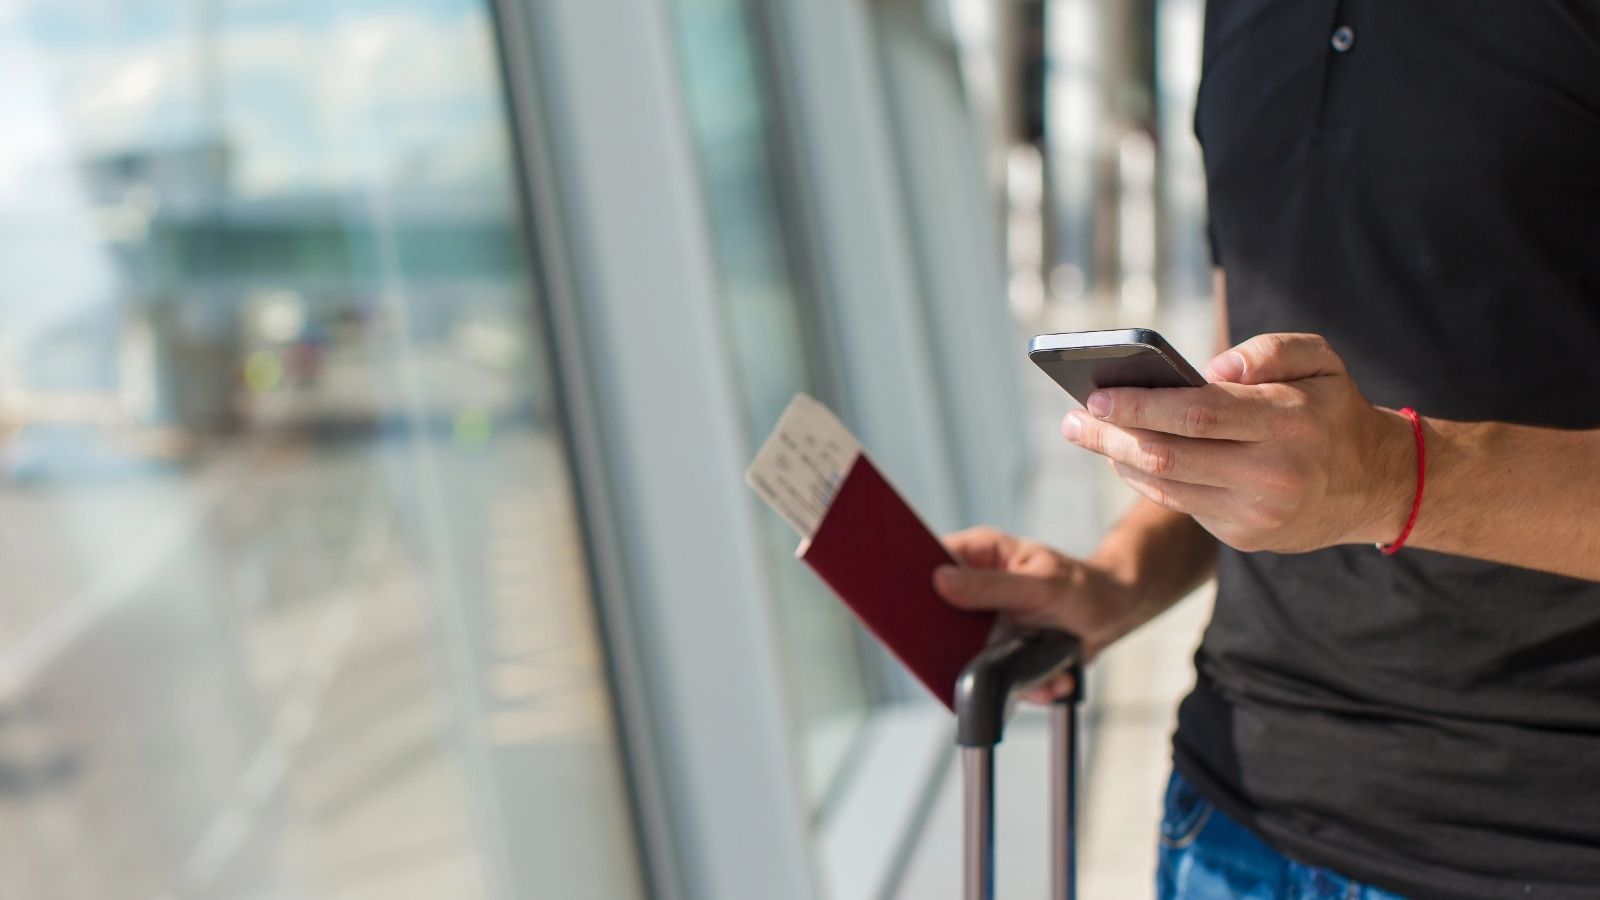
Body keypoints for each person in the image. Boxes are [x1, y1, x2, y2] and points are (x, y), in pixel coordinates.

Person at [932, 3, 1600, 898]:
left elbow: (1343, 471)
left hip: (1532, 844)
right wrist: (1115, 583)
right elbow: (1266, 420)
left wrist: (1389, 477)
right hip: (1228, 816)